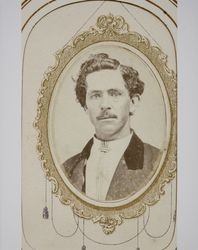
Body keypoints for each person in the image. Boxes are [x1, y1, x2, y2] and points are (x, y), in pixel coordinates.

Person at [62, 53, 161, 201]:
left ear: (133, 103)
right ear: (85, 107)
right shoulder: (67, 168)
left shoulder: (157, 162)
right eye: (95, 96)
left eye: (114, 94)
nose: (104, 105)